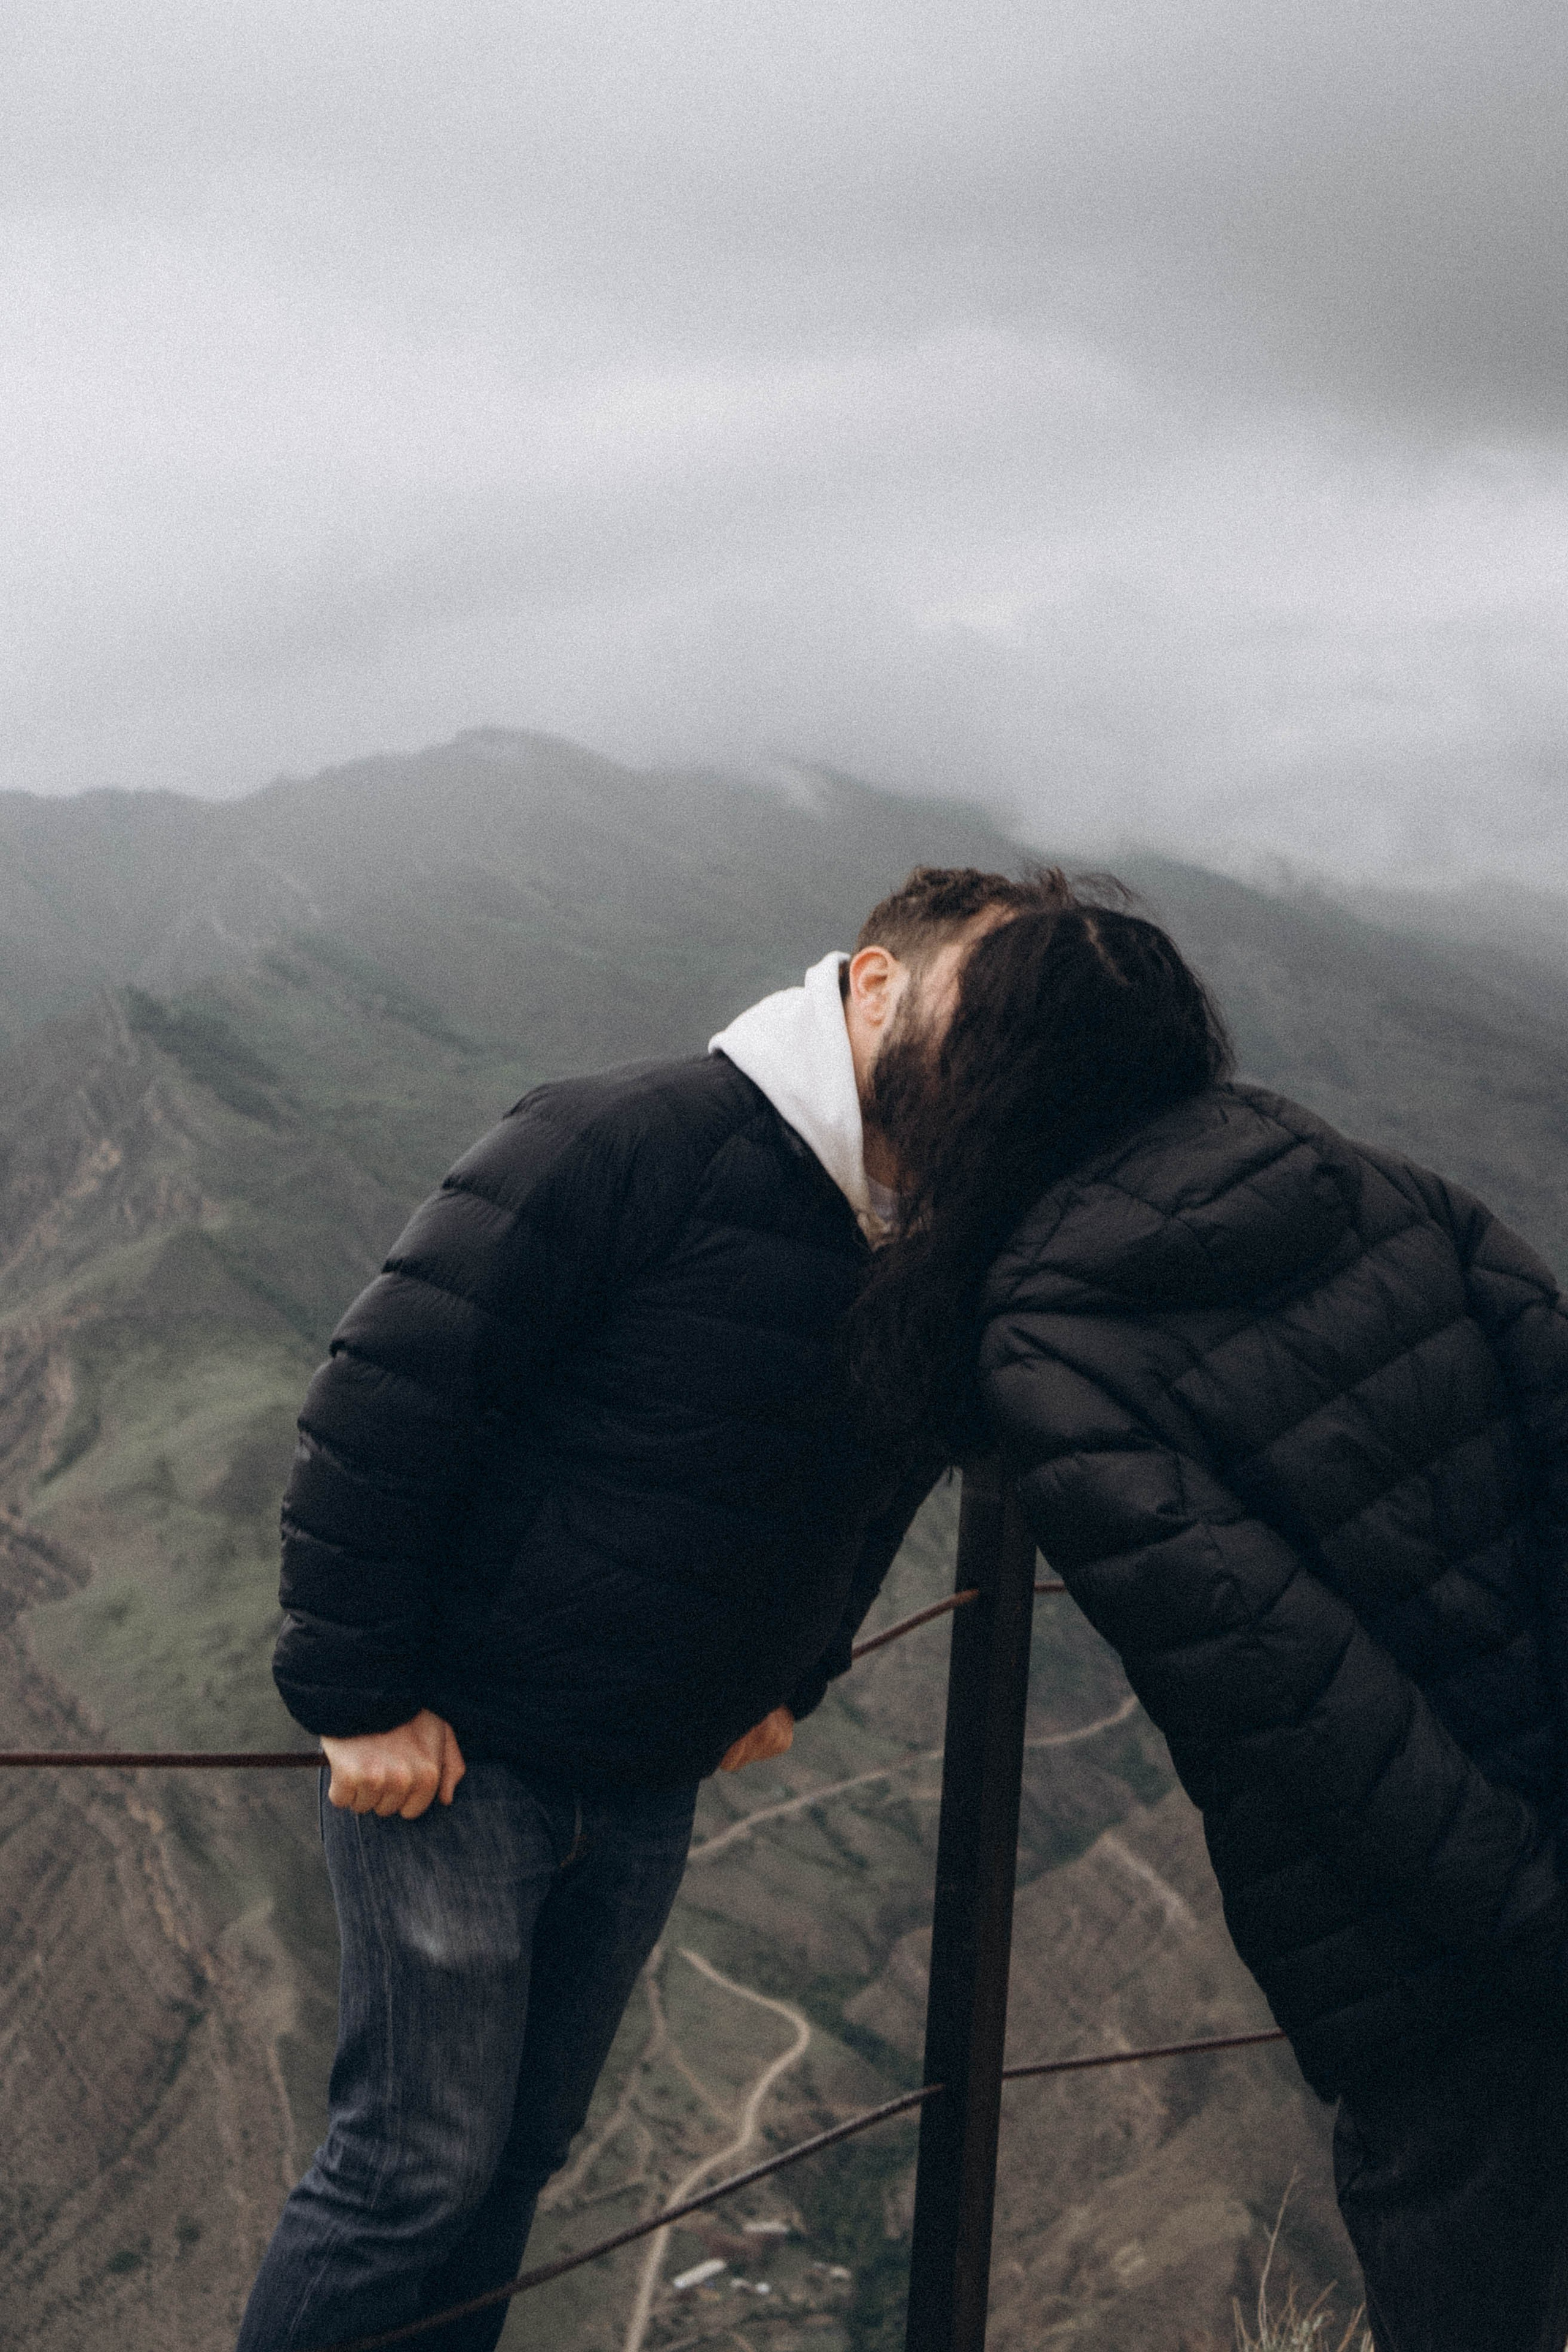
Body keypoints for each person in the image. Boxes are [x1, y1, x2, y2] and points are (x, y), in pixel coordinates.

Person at [235, 864, 1062, 2352]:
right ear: (873, 984)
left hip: (648, 1780)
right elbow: (386, 1392)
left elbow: (883, 1476)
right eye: (974, 1010)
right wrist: (354, 1698)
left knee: (510, 2175)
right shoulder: (628, 1135)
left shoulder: (924, 1226)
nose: (997, 1058)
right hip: (458, 1763)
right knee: (404, 2177)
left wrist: (794, 1678)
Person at [849, 888, 1568, 2352]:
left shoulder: (1047, 1339)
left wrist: (1531, 1924)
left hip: (1430, 1952)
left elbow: (1284, 1694)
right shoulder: (1377, 1182)